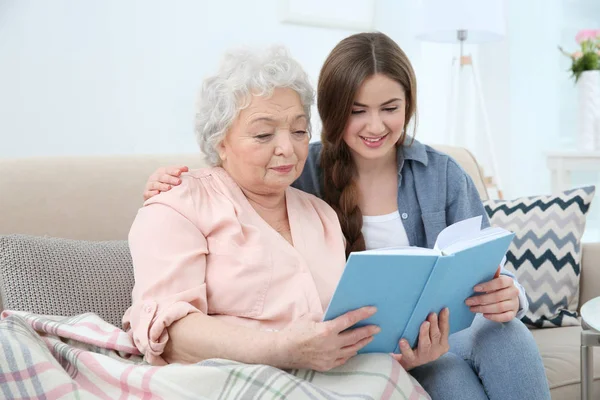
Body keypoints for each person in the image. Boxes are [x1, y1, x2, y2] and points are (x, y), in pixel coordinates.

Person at [144, 32, 551, 399]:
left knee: (506, 336)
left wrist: (509, 293)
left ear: (408, 105)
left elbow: (490, 266)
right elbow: (233, 163)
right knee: (447, 380)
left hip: (438, 333)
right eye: (358, 111)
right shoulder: (303, 173)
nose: (375, 125)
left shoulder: (437, 175)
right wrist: (174, 183)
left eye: (390, 107)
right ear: (334, 111)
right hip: (375, 348)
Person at [123, 45, 449, 377]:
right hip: (229, 381)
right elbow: (170, 332)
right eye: (264, 134)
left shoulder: (321, 215)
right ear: (220, 141)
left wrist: (405, 352)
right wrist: (283, 350)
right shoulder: (178, 204)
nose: (287, 149)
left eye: (298, 131)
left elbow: (346, 333)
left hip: (338, 381)